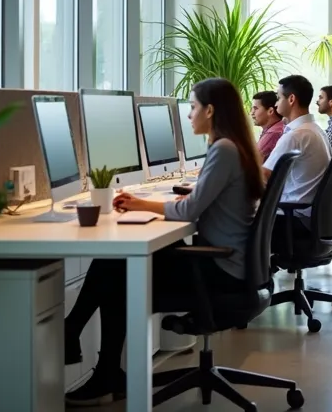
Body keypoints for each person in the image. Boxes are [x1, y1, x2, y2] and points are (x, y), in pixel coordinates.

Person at [62, 78, 262, 407]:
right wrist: (147, 204)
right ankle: (99, 362)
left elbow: (190, 210)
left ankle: (95, 359)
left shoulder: (224, 149)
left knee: (115, 273)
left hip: (221, 269)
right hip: (231, 263)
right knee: (115, 265)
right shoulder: (234, 146)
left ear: (210, 111)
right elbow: (197, 205)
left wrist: (141, 204)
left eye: (194, 108)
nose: (189, 115)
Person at [263, 74, 332, 247]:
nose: (276, 103)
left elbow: (264, 176)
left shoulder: (295, 136)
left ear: (291, 99)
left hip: (294, 218)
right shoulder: (316, 130)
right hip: (311, 217)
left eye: (279, 97)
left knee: (234, 223)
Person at [252, 90, 284, 161]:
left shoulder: (273, 133)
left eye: (255, 109)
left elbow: (252, 161)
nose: (251, 113)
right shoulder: (279, 128)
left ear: (270, 111)